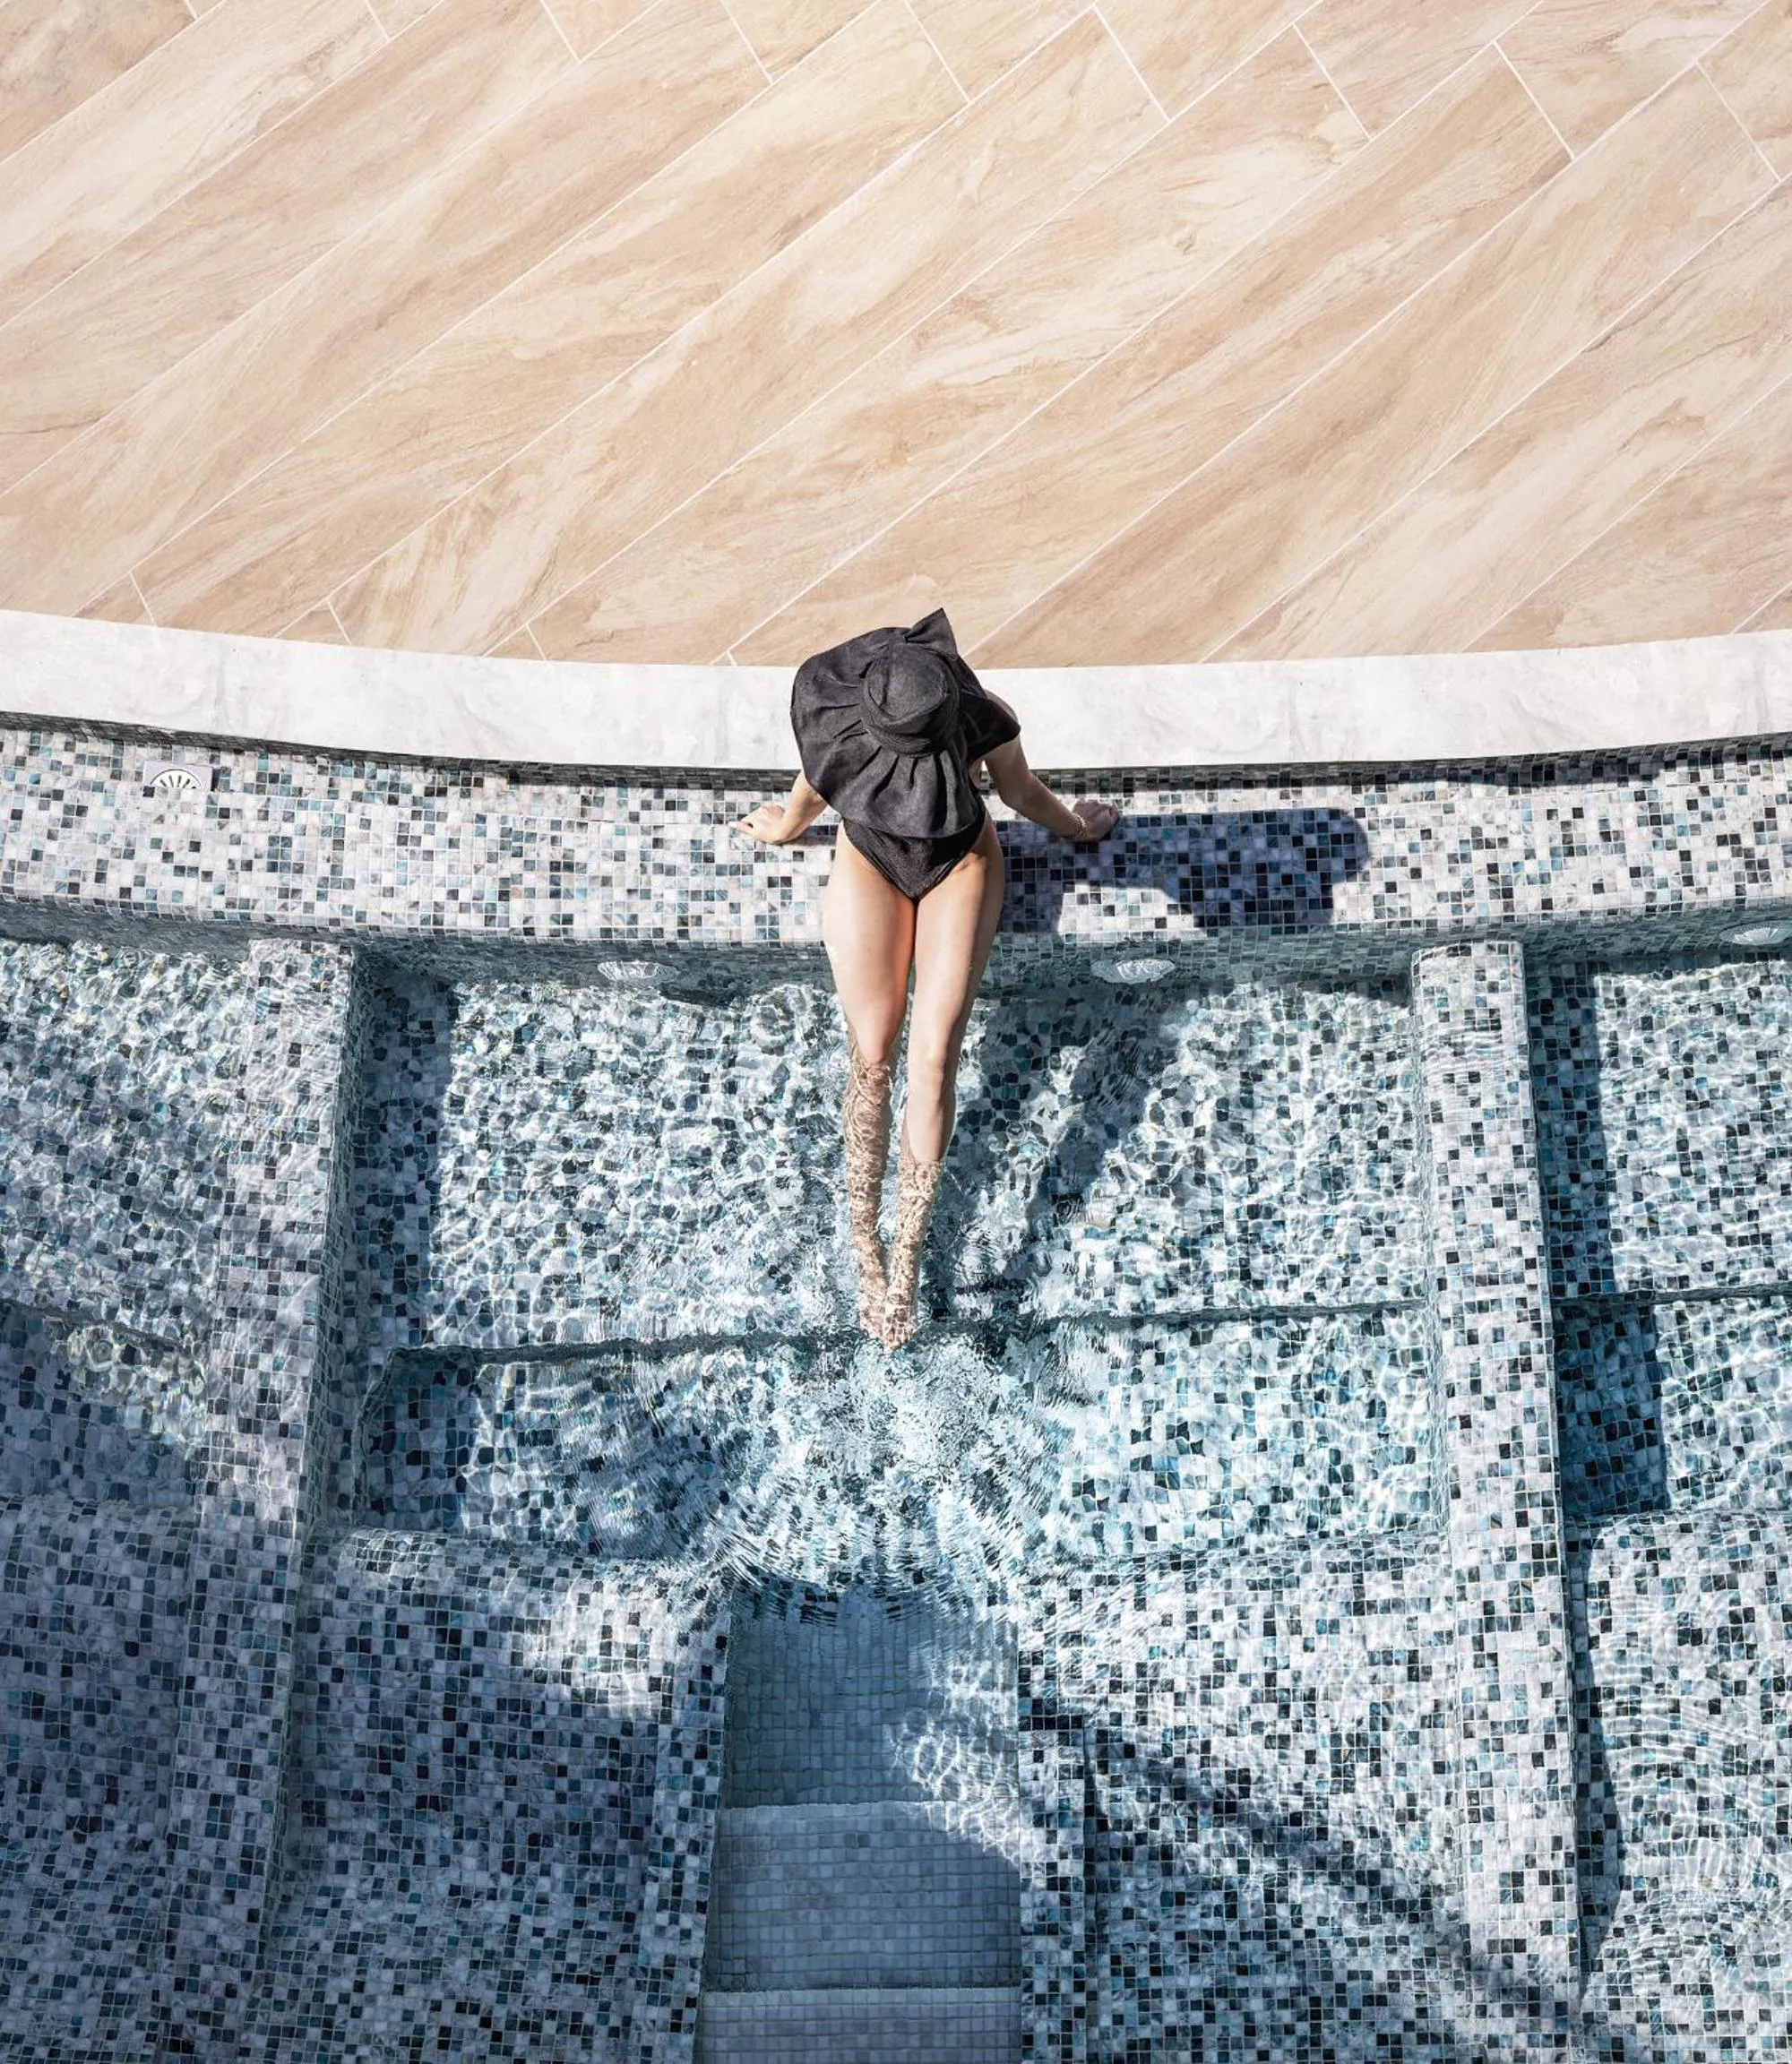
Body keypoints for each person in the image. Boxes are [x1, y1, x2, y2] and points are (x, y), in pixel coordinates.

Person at [737, 609, 1119, 1349]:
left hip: (960, 863)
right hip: (870, 861)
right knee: (873, 1053)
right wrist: (786, 825)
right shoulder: (844, 714)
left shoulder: (981, 718)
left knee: (934, 1056)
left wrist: (1077, 826)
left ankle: (905, 1257)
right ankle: (865, 1254)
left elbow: (1021, 793)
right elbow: (814, 788)